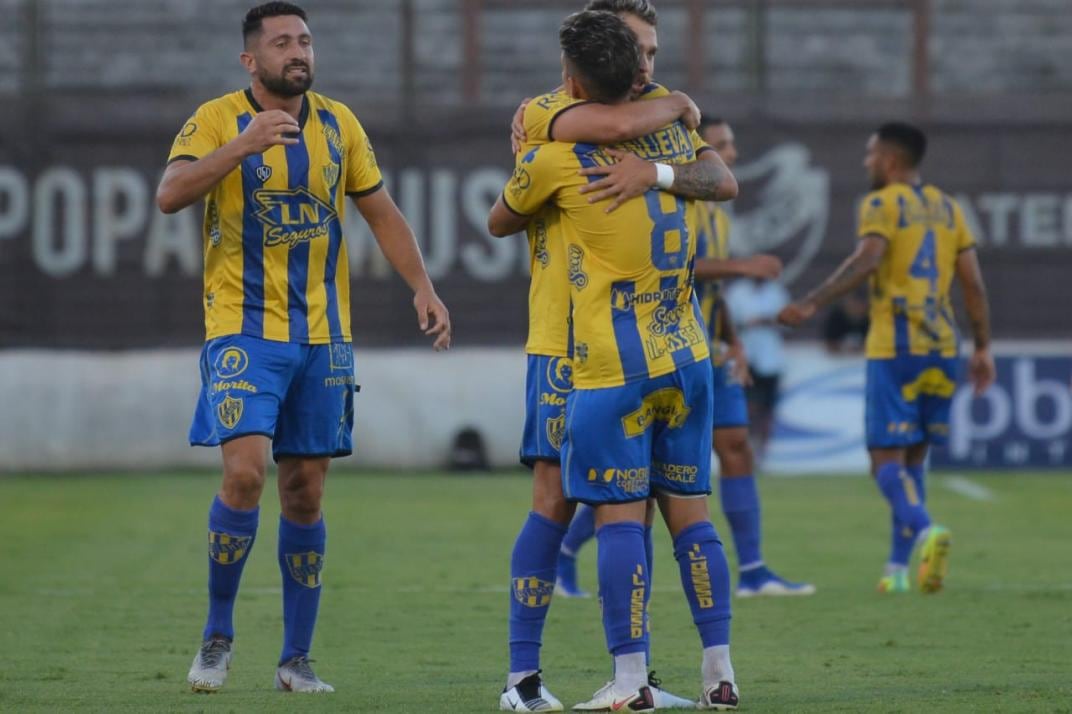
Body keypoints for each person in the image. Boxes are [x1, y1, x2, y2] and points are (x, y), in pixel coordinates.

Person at [156, 1, 451, 694]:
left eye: (306, 41)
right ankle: (217, 638)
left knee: (306, 490)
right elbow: (169, 194)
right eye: (283, 42)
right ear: (250, 59)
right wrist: (243, 146)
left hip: (324, 336)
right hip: (243, 330)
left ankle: (295, 660)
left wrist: (423, 287)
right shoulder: (215, 119)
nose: (298, 51)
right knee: (245, 474)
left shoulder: (340, 124)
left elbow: (380, 211)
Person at [490, 10, 741, 711]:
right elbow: (631, 130)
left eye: (656, 53)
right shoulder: (551, 113)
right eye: (642, 54)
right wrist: (675, 117)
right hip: (576, 343)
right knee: (561, 503)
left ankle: (634, 677)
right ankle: (525, 678)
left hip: (609, 353)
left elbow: (500, 218)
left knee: (625, 514)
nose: (651, 70)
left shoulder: (602, 135)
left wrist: (656, 156)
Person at [778, 121, 994, 593]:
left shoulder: (881, 203)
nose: (867, 162)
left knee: (883, 460)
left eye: (871, 154)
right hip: (944, 347)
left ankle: (925, 529)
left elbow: (868, 259)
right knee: (914, 459)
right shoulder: (949, 208)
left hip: (896, 346)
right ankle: (896, 571)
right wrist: (982, 347)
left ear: (891, 161)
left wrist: (812, 302)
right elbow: (973, 285)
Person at [692, 118, 816, 597]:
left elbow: (713, 289)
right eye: (721, 145)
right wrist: (744, 264)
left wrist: (735, 341)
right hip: (672, 352)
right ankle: (566, 557)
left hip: (713, 349)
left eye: (731, 144)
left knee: (738, 447)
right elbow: (672, 266)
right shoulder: (674, 201)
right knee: (650, 475)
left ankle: (754, 571)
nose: (732, 153)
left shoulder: (719, 212)